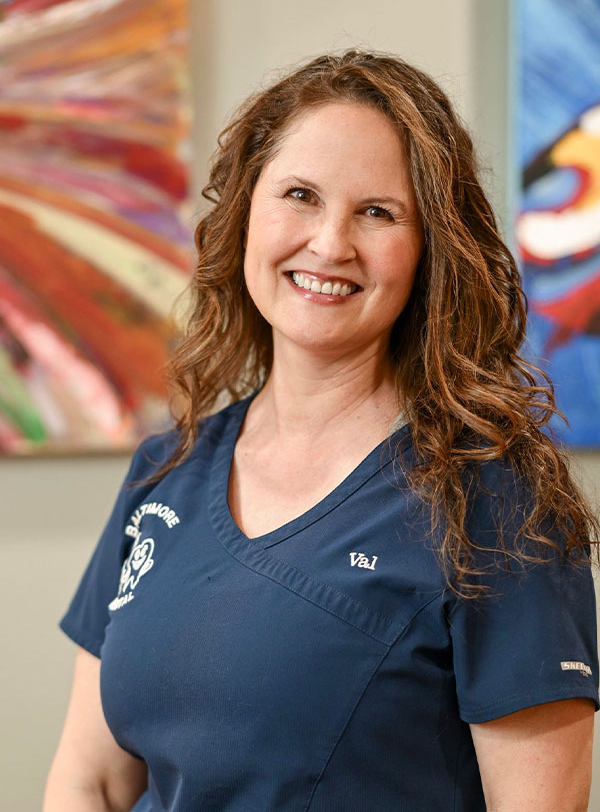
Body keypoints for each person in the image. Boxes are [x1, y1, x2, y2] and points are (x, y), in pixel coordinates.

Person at [44, 49, 599, 812]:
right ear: (245, 213)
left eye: (378, 212)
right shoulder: (164, 472)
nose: (331, 243)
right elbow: (92, 780)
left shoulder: (496, 502)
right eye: (300, 195)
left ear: (429, 250)